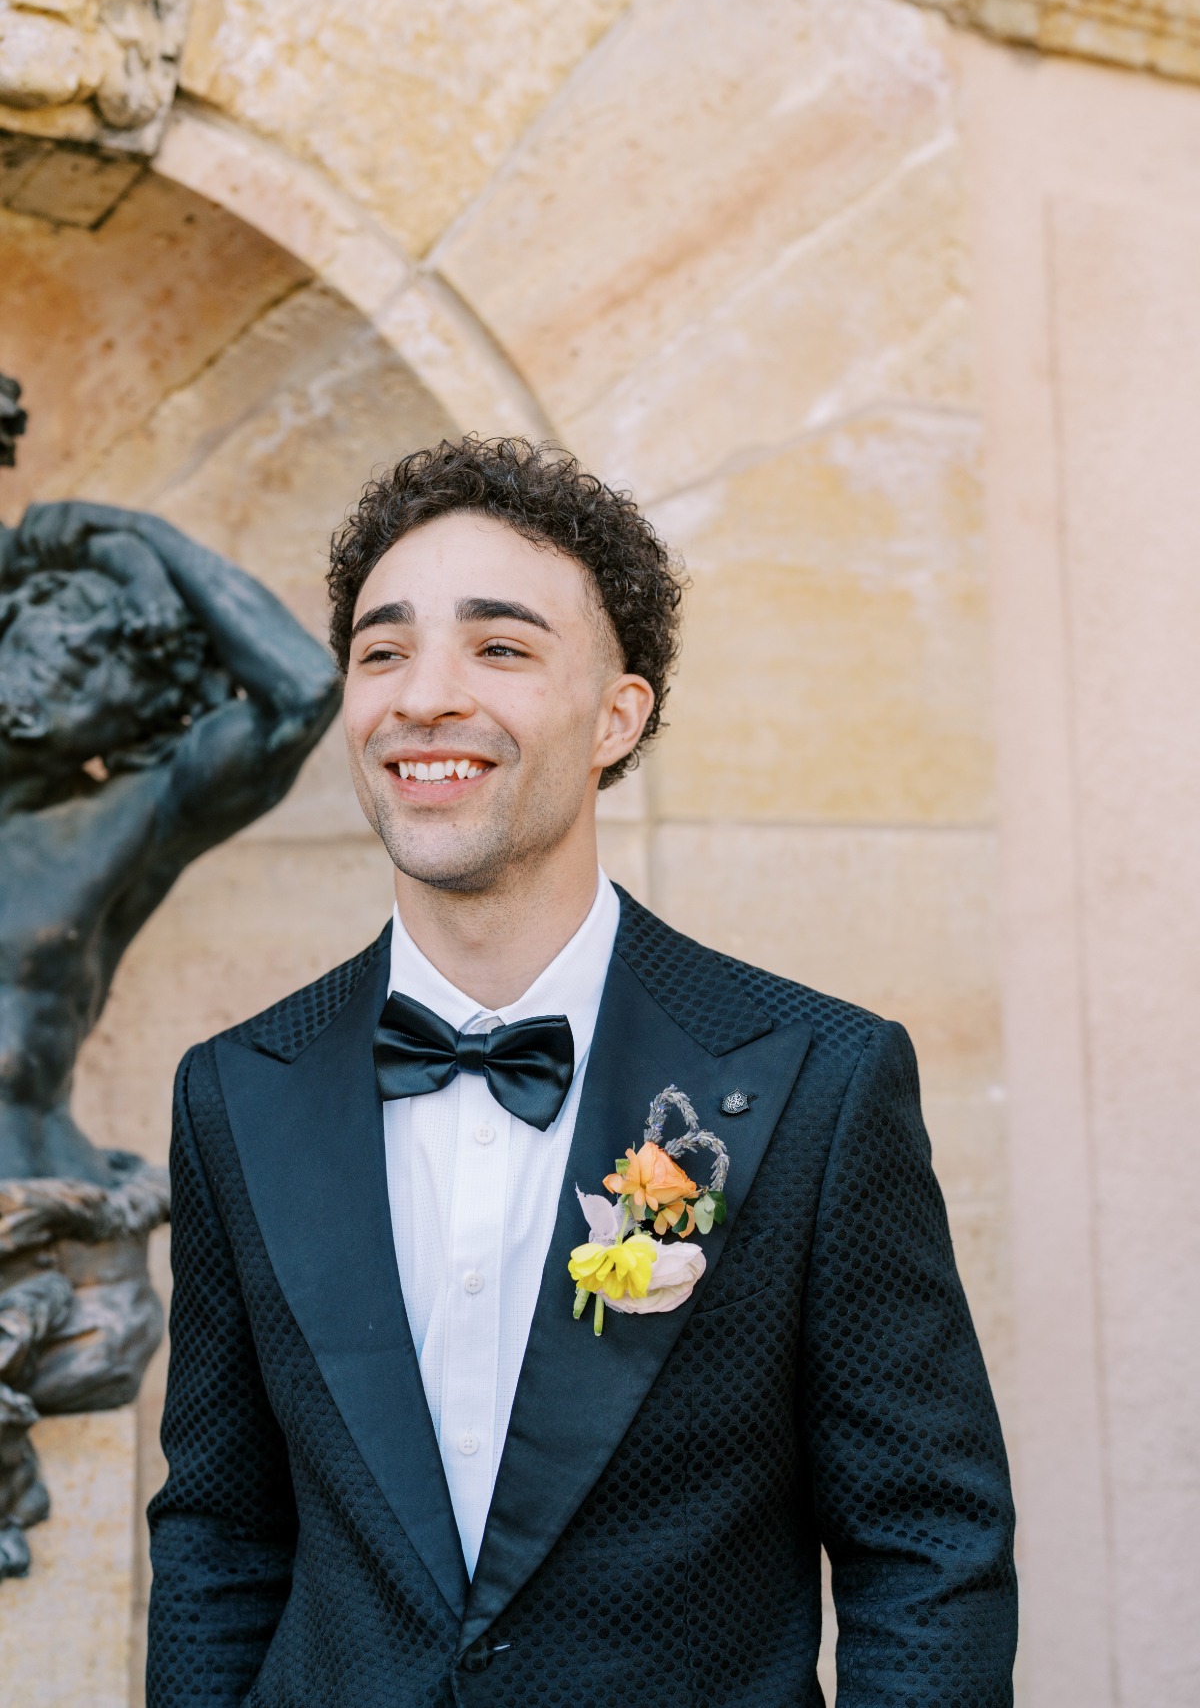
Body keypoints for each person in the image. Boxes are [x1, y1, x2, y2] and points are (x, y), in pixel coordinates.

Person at [147, 437, 1017, 1706]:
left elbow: (928, 1545)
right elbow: (220, 1534)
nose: (424, 695)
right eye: (383, 651)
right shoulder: (235, 1089)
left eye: (499, 648)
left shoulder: (816, 1079)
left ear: (620, 714)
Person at [0, 500, 340, 1184]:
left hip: (37, 1219)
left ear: (139, 728)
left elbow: (304, 690)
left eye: (126, 658)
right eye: (69, 612)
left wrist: (149, 536)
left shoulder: (131, 815)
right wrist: (118, 555)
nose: (79, 649)